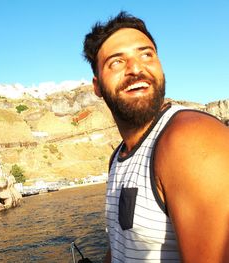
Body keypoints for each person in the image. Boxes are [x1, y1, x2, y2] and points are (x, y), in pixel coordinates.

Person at [83, 11, 229, 262]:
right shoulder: (118, 157)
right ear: (97, 86)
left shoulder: (190, 139)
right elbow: (121, 246)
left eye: (146, 54)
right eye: (116, 62)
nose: (136, 68)